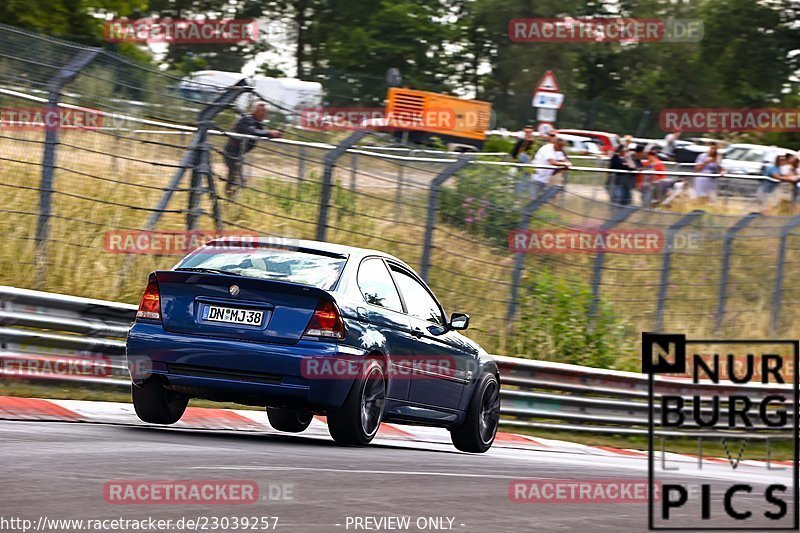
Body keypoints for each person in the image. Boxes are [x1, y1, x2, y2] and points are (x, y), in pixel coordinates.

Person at [223, 101, 282, 196]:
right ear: (254, 111)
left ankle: (231, 196)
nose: (263, 114)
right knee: (235, 175)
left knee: (236, 175)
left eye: (265, 112)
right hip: (232, 151)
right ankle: (230, 196)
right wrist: (269, 133)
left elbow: (261, 132)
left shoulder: (259, 123)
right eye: (260, 111)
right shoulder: (246, 119)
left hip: (239, 153)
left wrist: (274, 133)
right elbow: (252, 131)